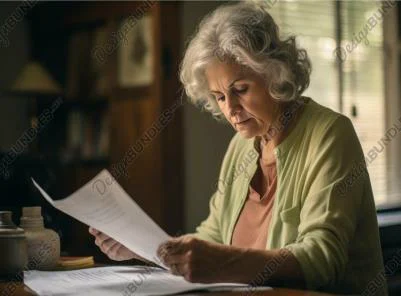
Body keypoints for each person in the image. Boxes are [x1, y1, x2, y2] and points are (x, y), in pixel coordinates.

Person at [89, 2, 387, 295]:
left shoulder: (330, 134)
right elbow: (214, 237)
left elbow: (322, 259)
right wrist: (147, 247)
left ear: (276, 74)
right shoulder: (241, 146)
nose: (230, 109)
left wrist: (223, 262)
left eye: (240, 90)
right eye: (218, 96)